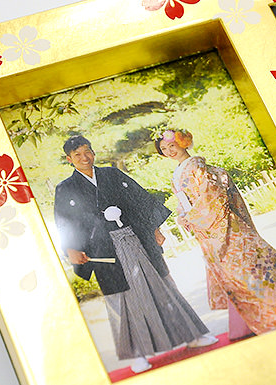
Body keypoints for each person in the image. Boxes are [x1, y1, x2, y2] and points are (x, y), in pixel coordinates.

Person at [54, 135, 217, 374]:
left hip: (134, 237)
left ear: (93, 152)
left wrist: (155, 228)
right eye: (77, 155)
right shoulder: (65, 189)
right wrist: (71, 248)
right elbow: (64, 223)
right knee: (120, 300)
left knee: (162, 286)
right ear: (69, 159)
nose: (84, 157)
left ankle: (192, 335)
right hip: (102, 249)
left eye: (87, 151)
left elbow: (138, 200)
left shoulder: (111, 174)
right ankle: (137, 354)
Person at [155, 129, 276, 336]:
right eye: (164, 149)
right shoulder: (178, 173)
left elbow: (212, 196)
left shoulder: (197, 166)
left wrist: (191, 217)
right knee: (236, 277)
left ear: (182, 142)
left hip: (224, 228)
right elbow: (184, 202)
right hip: (207, 232)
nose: (169, 151)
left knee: (251, 270)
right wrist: (182, 216)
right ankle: (265, 319)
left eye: (172, 145)